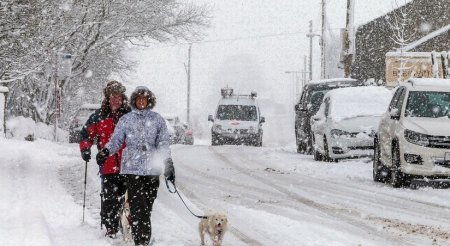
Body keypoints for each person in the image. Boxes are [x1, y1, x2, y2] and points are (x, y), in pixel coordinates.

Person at [97, 86, 175, 246]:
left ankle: (141, 234)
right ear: (134, 100)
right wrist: (106, 151)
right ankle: (142, 240)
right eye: (138, 98)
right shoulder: (126, 119)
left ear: (149, 101)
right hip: (132, 170)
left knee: (147, 206)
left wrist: (167, 161)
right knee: (138, 206)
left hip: (152, 170)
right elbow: (116, 140)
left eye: (144, 99)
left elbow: (163, 143)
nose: (141, 101)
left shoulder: (157, 119)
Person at [79, 80, 131, 238]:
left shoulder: (130, 115)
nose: (116, 100)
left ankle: (128, 226)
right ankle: (111, 227)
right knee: (109, 198)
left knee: (128, 199)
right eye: (113, 96)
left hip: (128, 164)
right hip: (107, 164)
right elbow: (86, 134)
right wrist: (85, 149)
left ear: (123, 98)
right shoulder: (99, 116)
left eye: (119, 96)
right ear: (108, 97)